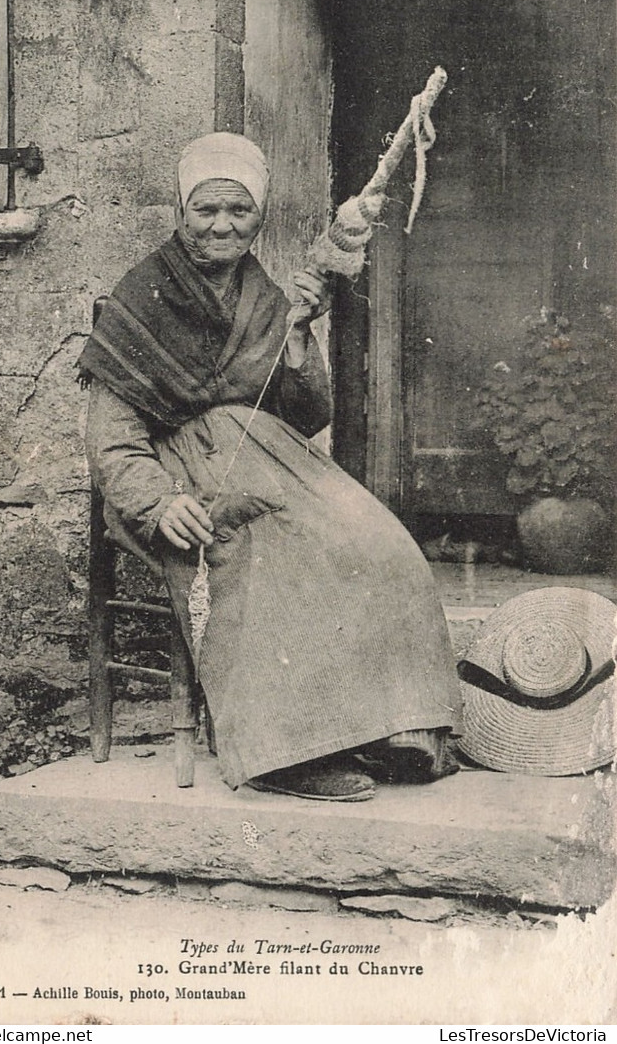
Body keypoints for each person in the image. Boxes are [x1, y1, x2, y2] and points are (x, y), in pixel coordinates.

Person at [79, 132, 463, 802]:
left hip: (269, 459)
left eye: (239, 210)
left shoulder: (261, 290)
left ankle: (387, 725)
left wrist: (294, 337)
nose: (223, 225)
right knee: (270, 559)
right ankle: (283, 753)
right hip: (180, 481)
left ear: (258, 212)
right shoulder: (142, 295)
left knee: (376, 543)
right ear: (180, 211)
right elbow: (112, 443)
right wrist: (161, 501)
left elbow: (307, 412)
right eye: (206, 210)